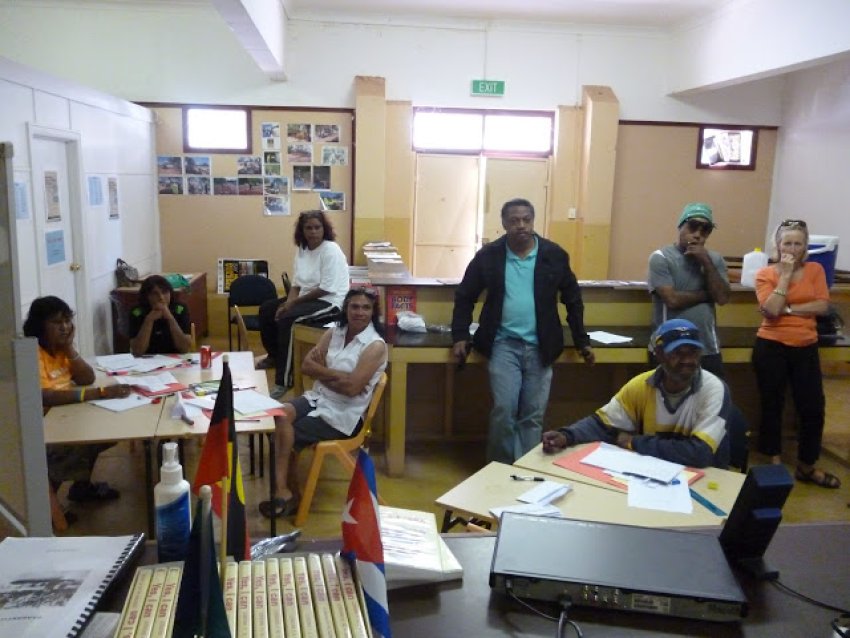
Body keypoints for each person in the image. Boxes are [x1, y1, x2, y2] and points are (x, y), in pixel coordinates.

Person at [451, 197, 595, 465]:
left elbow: (572, 299)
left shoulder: (553, 255)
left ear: (533, 221)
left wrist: (581, 340)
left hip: (541, 346)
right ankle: (500, 468)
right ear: (504, 224)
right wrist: (460, 335)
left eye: (526, 220)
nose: (521, 225)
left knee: (533, 414)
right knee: (505, 410)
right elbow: (465, 295)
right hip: (503, 344)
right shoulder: (489, 256)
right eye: (514, 221)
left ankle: (525, 468)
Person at [259, 288, 387, 518]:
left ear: (373, 312)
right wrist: (337, 375)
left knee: (286, 434)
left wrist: (323, 373)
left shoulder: (375, 346)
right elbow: (306, 366)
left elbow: (352, 389)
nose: (359, 312)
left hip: (343, 415)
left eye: (366, 307)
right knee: (279, 416)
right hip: (319, 398)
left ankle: (289, 497)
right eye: (354, 306)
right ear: (345, 308)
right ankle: (283, 490)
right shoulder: (334, 332)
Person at [542, 318, 730, 468]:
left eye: (694, 353)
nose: (687, 361)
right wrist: (566, 436)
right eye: (677, 353)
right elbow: (602, 424)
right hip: (656, 474)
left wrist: (635, 442)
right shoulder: (641, 385)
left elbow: (699, 453)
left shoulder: (713, 389)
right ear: (658, 354)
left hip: (705, 477)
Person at [752, 219, 840, 488]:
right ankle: (774, 462)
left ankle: (807, 465)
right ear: (778, 245)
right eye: (787, 242)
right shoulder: (765, 273)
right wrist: (787, 276)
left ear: (805, 246)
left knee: (813, 407)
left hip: (806, 346)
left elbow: (823, 306)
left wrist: (787, 308)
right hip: (771, 346)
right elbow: (771, 310)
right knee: (772, 405)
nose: (792, 247)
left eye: (798, 243)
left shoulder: (815, 270)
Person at [23, 296, 132, 504]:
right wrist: (100, 393)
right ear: (40, 325)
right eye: (56, 322)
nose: (64, 327)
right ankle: (48, 505)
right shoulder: (33, 353)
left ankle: (81, 487)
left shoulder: (60, 348)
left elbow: (86, 378)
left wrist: (70, 348)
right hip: (42, 428)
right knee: (87, 439)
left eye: (67, 321)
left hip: (64, 416)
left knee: (109, 430)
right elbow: (44, 395)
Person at [257, 210, 349, 398]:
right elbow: (297, 285)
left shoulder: (331, 250)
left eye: (317, 227)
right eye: (309, 228)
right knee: (267, 310)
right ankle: (274, 356)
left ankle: (284, 381)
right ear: (302, 230)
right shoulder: (302, 249)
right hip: (308, 298)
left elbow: (326, 288)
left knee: (288, 320)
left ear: (324, 229)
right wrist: (288, 303)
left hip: (330, 301)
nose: (313, 232)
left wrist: (291, 306)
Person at [648, 203, 730, 378]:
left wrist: (705, 261)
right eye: (692, 226)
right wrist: (707, 295)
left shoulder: (714, 260)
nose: (698, 234)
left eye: (705, 229)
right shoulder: (661, 258)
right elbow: (673, 300)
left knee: (714, 401)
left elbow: (722, 298)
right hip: (669, 346)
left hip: (706, 347)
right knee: (668, 400)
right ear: (681, 226)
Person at [128, 275, 192, 355]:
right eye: (155, 294)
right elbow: (137, 351)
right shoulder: (136, 312)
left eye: (164, 292)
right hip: (146, 361)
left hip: (175, 359)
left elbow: (184, 348)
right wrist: (149, 320)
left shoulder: (180, 309)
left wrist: (170, 318)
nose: (161, 297)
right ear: (146, 296)